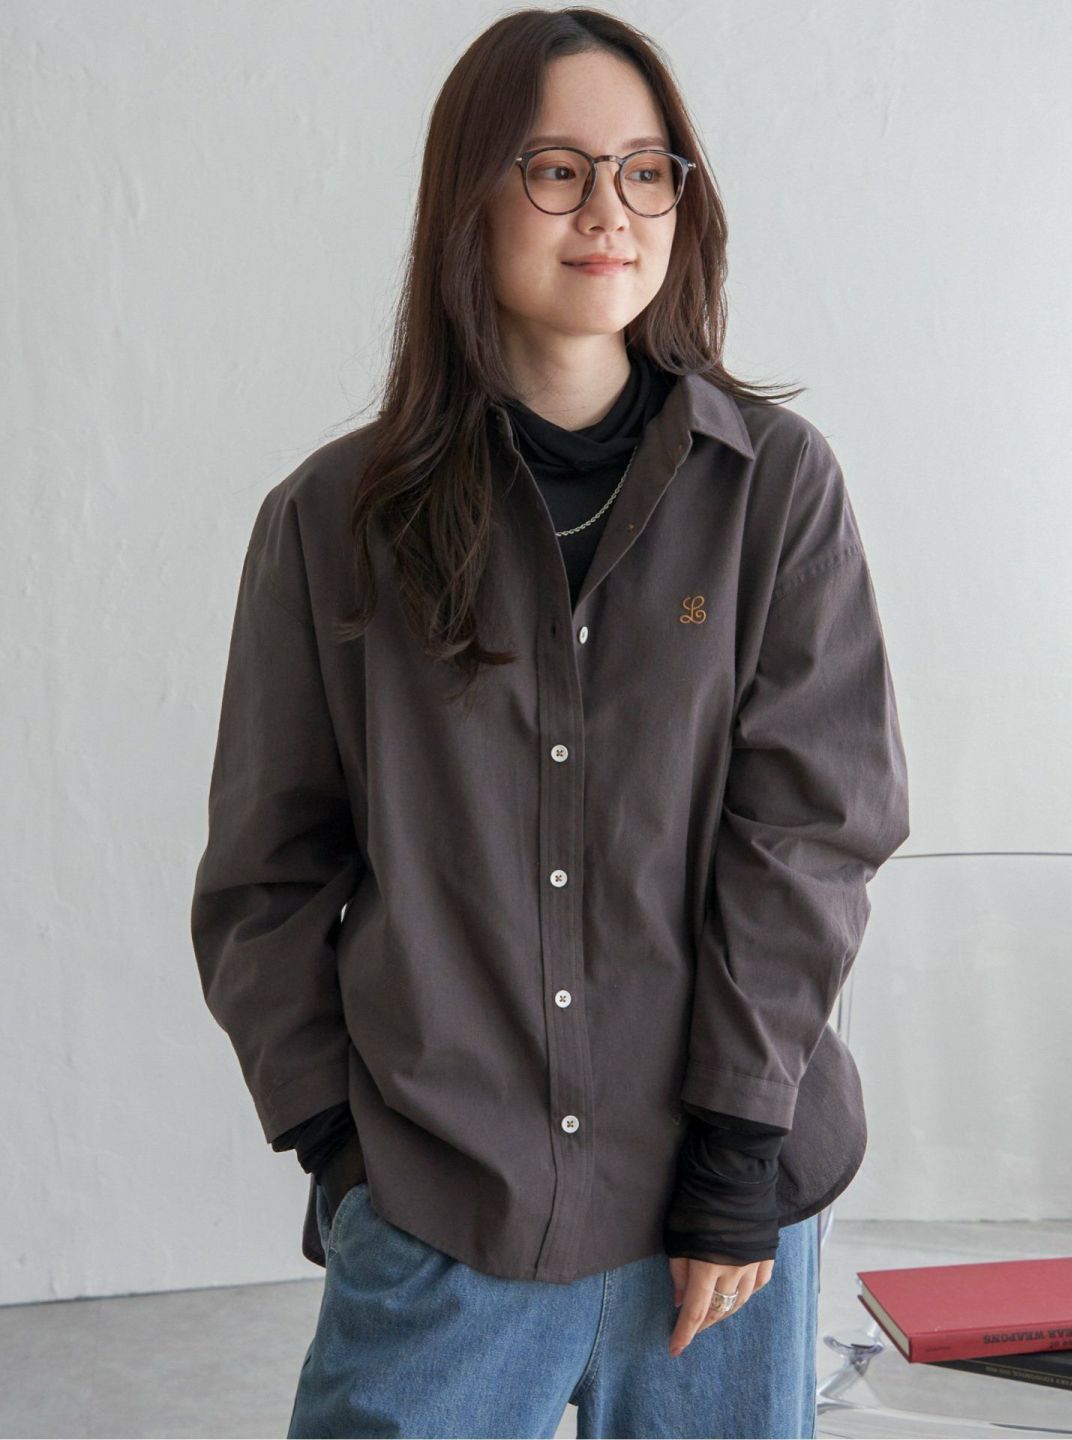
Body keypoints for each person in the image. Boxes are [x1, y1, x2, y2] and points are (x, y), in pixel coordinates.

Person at [190, 8, 910, 1438]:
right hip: (443, 1208)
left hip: (719, 1225)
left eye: (646, 170)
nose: (609, 211)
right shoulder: (333, 523)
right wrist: (342, 1148)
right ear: (470, 195)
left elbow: (810, 839)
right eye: (558, 169)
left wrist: (734, 1161)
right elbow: (268, 875)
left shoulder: (775, 489)